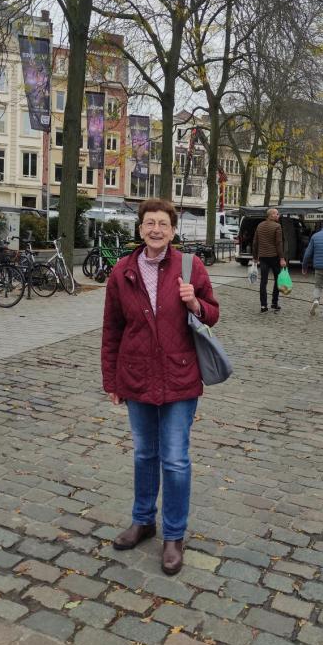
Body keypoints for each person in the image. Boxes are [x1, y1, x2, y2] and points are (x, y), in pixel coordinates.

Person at [101, 198, 219, 575]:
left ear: (172, 230)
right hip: (135, 376)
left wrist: (195, 303)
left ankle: (173, 536)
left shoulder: (190, 266)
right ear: (140, 229)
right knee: (143, 455)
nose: (156, 230)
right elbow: (112, 330)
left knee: (175, 459)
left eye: (163, 224)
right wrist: (111, 380)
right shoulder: (122, 271)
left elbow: (213, 314)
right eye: (149, 223)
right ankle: (142, 521)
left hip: (179, 377)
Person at [252, 207, 287, 312]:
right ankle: (274, 303)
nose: (278, 215)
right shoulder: (277, 226)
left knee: (263, 281)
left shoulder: (260, 225)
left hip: (263, 257)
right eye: (276, 214)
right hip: (274, 257)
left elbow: (255, 242)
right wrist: (282, 258)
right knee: (277, 280)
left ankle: (263, 305)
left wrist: (255, 257)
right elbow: (279, 244)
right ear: (271, 215)